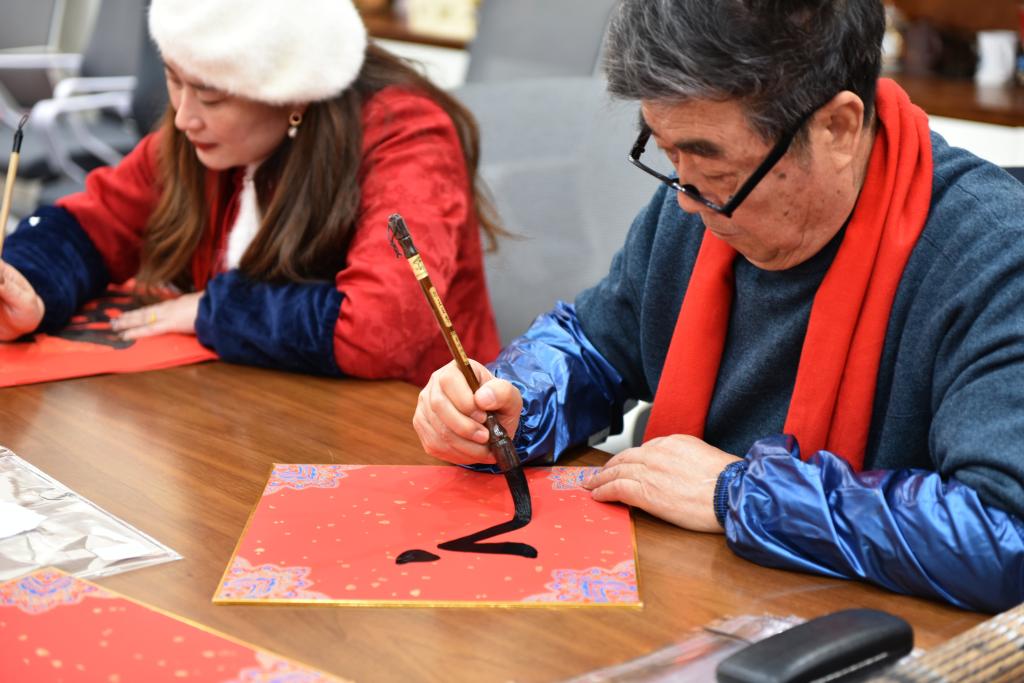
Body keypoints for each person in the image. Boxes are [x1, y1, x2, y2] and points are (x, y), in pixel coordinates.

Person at [413, 0, 1024, 613]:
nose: (685, 198)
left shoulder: (993, 257)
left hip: (866, 632)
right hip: (689, 598)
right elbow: (595, 345)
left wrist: (740, 495)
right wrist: (516, 404)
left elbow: (1004, 536)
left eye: (716, 168)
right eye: (665, 152)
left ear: (837, 129)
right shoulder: (699, 205)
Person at [0, 0, 501, 385]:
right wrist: (29, 284)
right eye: (174, 80)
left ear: (292, 92)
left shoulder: (407, 137)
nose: (183, 117)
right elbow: (96, 223)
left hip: (406, 432)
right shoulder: (200, 137)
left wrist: (213, 310)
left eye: (211, 96)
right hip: (248, 410)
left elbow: (378, 330)